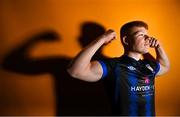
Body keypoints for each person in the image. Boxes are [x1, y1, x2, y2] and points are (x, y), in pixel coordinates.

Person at [67, 21, 170, 116]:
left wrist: (158, 46)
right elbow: (75, 71)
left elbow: (165, 67)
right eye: (141, 35)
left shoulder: (148, 65)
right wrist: (102, 38)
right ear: (126, 40)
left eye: (147, 35)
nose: (148, 38)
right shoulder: (114, 65)